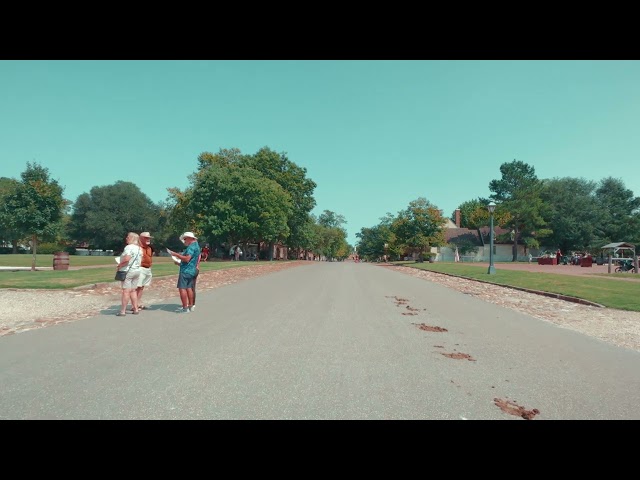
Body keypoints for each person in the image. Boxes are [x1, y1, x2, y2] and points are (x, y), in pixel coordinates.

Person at [167, 231, 200, 314]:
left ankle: (185, 307)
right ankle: (191, 305)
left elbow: (187, 259)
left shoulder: (191, 247)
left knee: (182, 288)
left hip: (186, 270)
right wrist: (179, 262)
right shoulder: (196, 246)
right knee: (189, 288)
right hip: (192, 270)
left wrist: (176, 255)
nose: (184, 241)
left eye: (185, 239)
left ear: (189, 238)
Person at [115, 232, 142, 316]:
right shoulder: (139, 248)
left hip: (128, 270)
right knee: (133, 290)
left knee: (126, 291)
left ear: (132, 238)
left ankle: (123, 311)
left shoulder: (129, 247)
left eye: (128, 237)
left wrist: (120, 265)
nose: (126, 238)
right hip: (137, 270)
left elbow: (127, 259)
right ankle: (135, 309)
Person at [134, 231, 153, 311]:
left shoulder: (149, 248)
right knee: (137, 287)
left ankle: (138, 303)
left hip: (147, 269)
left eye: (149, 238)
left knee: (141, 287)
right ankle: (134, 305)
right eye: (146, 238)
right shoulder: (137, 248)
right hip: (140, 268)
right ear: (140, 239)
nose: (148, 239)